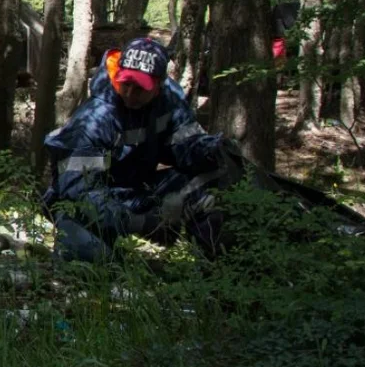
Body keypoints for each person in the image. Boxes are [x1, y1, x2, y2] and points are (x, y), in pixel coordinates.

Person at [42, 37, 230, 261]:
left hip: (141, 189)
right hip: (92, 200)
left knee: (210, 183)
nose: (130, 94)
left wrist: (211, 149)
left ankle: (215, 268)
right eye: (125, 84)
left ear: (158, 85)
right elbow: (80, 191)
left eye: (140, 88)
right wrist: (138, 223)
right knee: (87, 256)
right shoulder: (94, 120)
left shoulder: (169, 102)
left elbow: (185, 145)